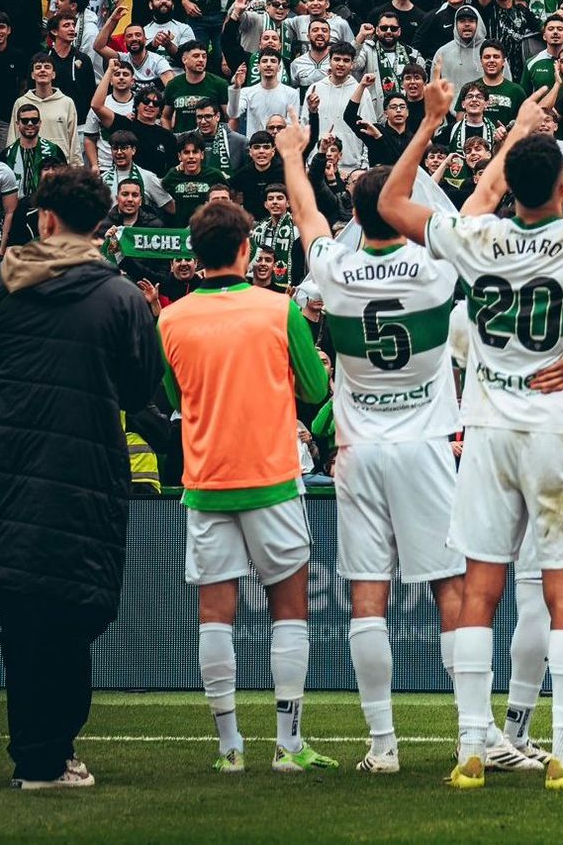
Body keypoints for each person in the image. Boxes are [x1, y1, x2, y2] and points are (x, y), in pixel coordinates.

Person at [378, 79, 563, 790]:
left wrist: (433, 120)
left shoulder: (479, 236)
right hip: (557, 434)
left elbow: (388, 203)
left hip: (488, 430)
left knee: (481, 589)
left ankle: (471, 748)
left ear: (511, 188)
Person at [274, 110, 469, 776]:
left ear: (357, 215)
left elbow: (306, 217)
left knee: (367, 595)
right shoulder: (437, 267)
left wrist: (292, 154)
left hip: (358, 449)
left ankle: (382, 746)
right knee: (450, 587)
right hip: (426, 444)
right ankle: (473, 736)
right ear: (404, 209)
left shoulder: (333, 267)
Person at [156, 195, 333, 775]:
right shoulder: (278, 309)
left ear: (195, 253)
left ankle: (230, 749)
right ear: (246, 249)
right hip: (274, 478)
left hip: (205, 480)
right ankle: (288, 745)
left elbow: (175, 397)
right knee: (289, 608)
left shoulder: (171, 318)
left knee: (215, 614)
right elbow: (313, 389)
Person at [0, 167, 160, 790]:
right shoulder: (119, 298)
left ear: (43, 220)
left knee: (25, 618)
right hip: (82, 476)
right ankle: (48, 755)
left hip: (12, 473)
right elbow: (141, 388)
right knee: (67, 617)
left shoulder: (7, 286)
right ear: (101, 225)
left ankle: (40, 753)